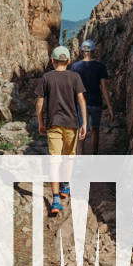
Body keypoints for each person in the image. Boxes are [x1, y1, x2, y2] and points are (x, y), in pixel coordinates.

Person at [35, 45, 87, 215]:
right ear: (69, 61)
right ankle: (65, 185)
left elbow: (40, 102)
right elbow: (81, 100)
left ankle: (55, 200)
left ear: (52, 61)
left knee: (54, 161)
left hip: (53, 124)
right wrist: (84, 123)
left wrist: (40, 122)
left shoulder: (46, 77)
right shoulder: (75, 77)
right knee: (69, 158)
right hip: (71, 124)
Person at [71, 39, 113, 154]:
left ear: (82, 50)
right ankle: (94, 156)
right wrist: (109, 107)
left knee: (81, 129)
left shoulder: (75, 67)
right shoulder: (100, 66)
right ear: (94, 50)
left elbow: (73, 88)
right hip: (96, 102)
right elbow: (104, 88)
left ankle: (79, 155)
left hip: (80, 103)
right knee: (95, 130)